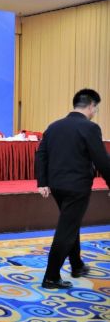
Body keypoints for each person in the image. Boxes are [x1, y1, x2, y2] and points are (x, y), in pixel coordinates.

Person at [36, 88, 110, 289]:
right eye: (96, 108)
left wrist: (42, 182)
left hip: (56, 186)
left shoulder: (54, 126)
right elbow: (101, 160)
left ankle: (77, 265)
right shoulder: (90, 128)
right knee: (67, 229)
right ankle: (51, 277)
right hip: (77, 187)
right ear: (91, 106)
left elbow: (41, 154)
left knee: (70, 223)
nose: (95, 112)